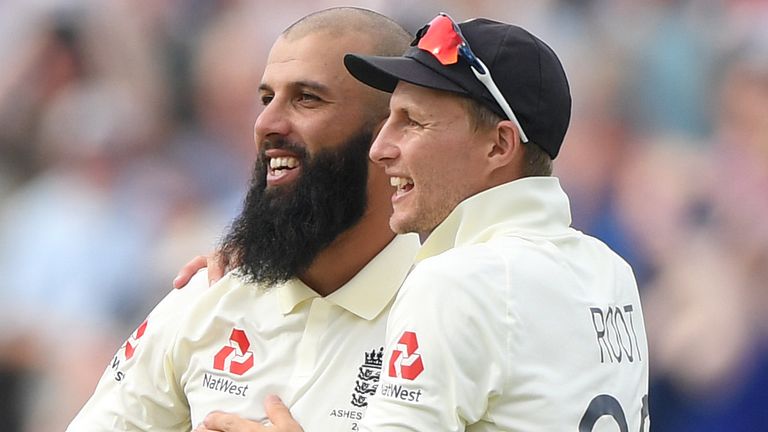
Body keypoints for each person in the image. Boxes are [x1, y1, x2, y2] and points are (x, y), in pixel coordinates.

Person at [194, 13, 651, 432]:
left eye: (412, 122)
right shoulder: (611, 271)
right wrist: (274, 251)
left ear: (499, 146)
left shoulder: (457, 282)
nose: (380, 148)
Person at [66, 7, 417, 431]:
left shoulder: (456, 303)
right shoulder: (208, 296)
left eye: (307, 98)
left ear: (391, 132)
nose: (266, 123)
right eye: (267, 98)